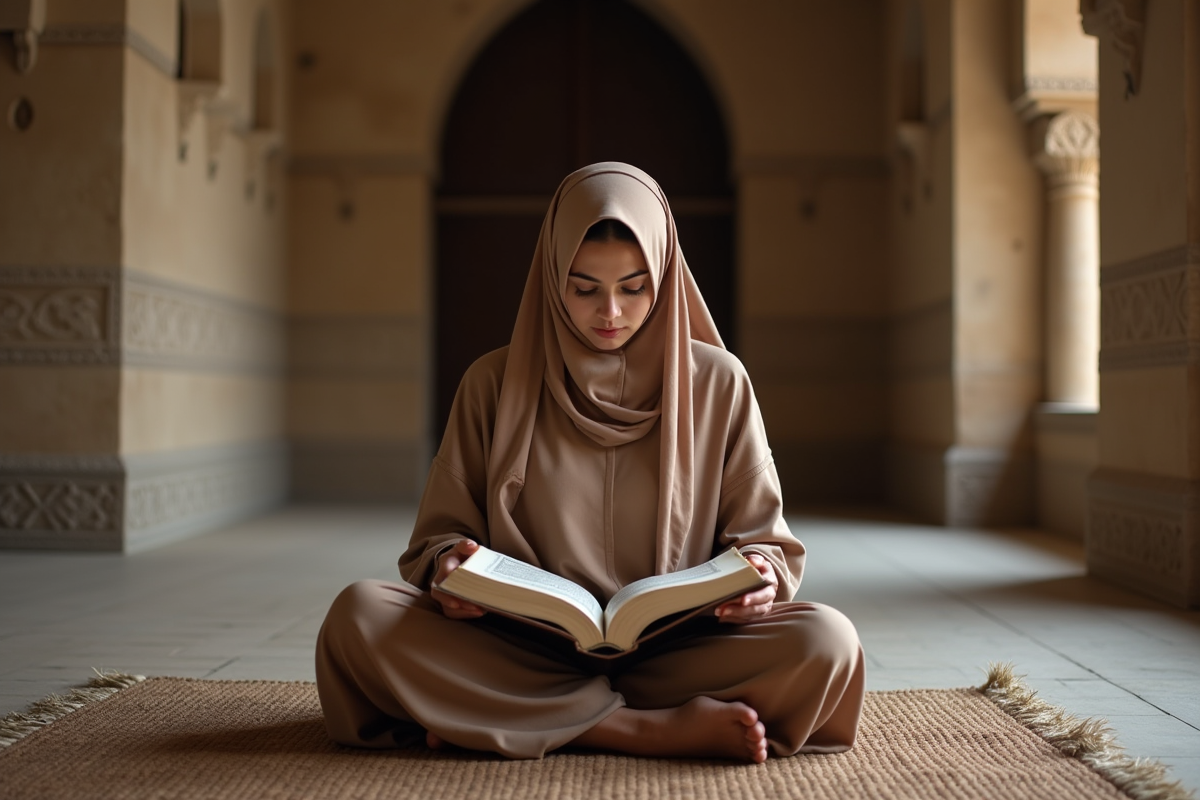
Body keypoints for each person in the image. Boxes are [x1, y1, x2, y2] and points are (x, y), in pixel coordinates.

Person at [315, 162, 865, 763]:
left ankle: (497, 717)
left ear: (665, 277)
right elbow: (438, 539)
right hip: (515, 648)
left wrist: (761, 577)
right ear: (553, 278)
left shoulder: (719, 383)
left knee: (827, 640)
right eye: (583, 288)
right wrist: (448, 569)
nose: (610, 312)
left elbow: (766, 543)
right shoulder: (492, 384)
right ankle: (638, 730)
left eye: (634, 288)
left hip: (676, 653)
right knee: (358, 616)